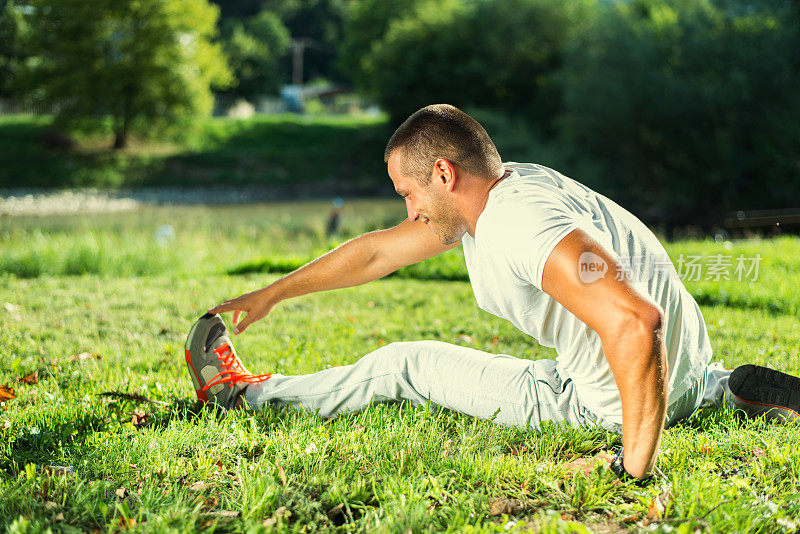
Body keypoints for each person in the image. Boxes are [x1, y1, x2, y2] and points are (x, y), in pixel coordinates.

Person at [184, 104, 800, 482]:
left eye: (408, 192)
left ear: (444, 174)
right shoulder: (509, 192)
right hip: (682, 373)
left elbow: (637, 321)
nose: (410, 209)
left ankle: (244, 398)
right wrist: (273, 294)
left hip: (613, 400)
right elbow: (377, 251)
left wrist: (631, 468)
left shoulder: (516, 225)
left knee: (404, 364)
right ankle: (724, 391)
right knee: (663, 367)